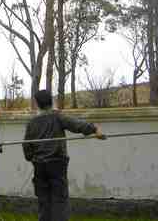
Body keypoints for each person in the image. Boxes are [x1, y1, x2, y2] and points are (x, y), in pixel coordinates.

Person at [23, 90, 106, 221]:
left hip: (40, 168)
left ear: (37, 104)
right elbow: (76, 125)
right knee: (59, 202)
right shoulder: (57, 117)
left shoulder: (32, 123)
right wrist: (94, 129)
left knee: (44, 202)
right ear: (51, 101)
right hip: (56, 166)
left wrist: (31, 157)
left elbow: (27, 147)